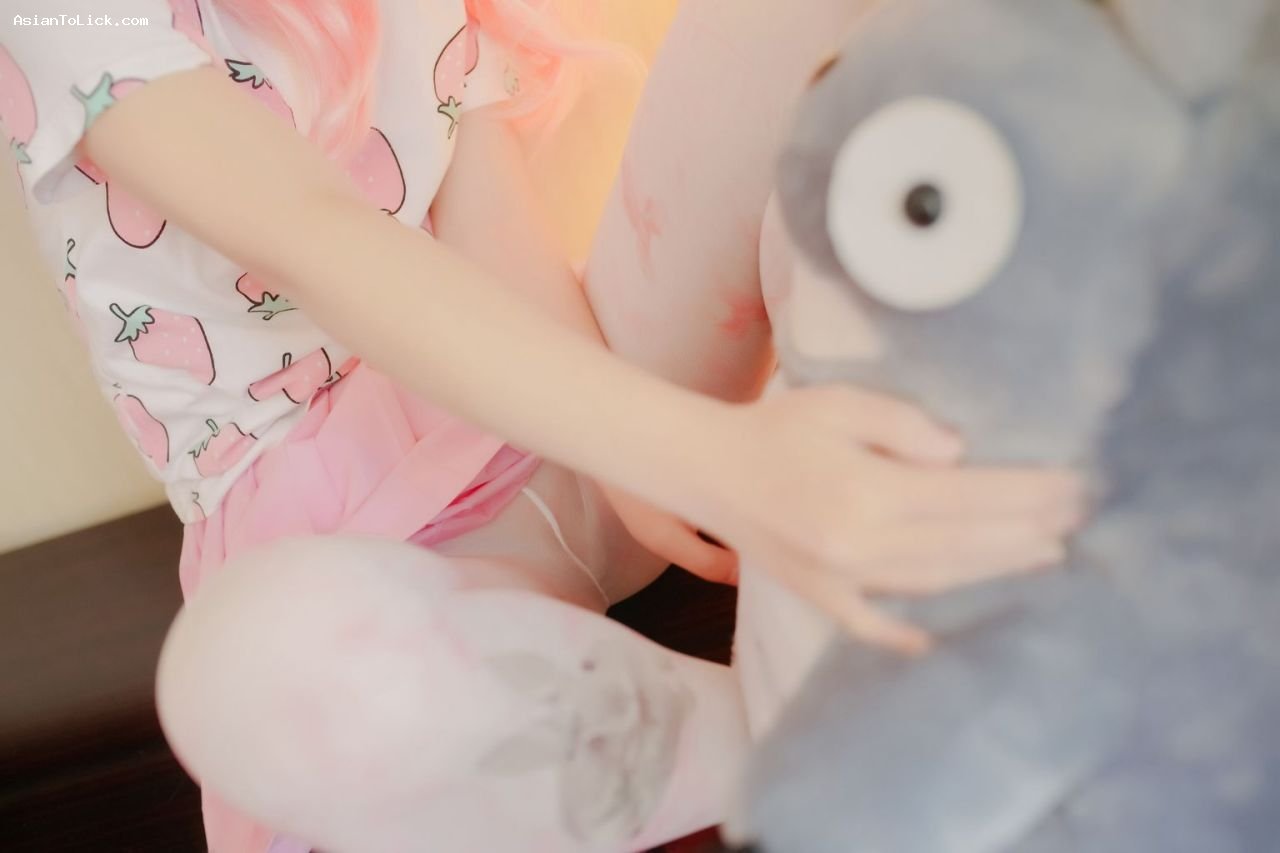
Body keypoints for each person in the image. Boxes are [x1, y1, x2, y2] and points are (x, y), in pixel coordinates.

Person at [0, 1, 1082, 849]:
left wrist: (631, 468)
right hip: (365, 541)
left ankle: (966, 480)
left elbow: (484, 220)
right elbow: (316, 238)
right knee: (239, 669)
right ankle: (797, 741)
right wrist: (713, 458)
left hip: (550, 414)